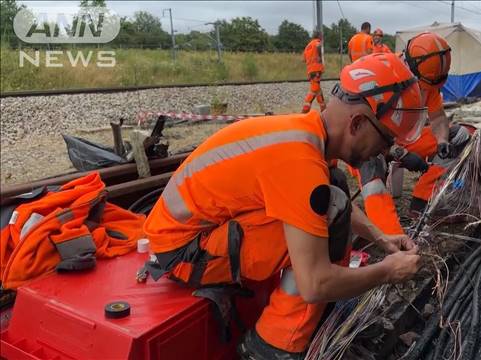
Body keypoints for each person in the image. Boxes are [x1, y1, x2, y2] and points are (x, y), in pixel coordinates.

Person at [143, 52, 425, 359]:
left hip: (192, 231)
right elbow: (315, 283)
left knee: (333, 189)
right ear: (357, 124)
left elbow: (325, 194)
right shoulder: (299, 163)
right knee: (328, 217)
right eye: (384, 140)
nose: (383, 152)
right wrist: (387, 271)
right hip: (185, 252)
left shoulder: (306, 132)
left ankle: (318, 317)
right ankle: (271, 346)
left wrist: (381, 238)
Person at [353, 32, 471, 236]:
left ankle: (422, 202)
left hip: (402, 139)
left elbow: (438, 118)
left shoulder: (429, 81)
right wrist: (400, 154)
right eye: (425, 85)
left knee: (458, 136)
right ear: (410, 68)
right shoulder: (382, 77)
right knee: (372, 165)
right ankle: (390, 235)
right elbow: (363, 132)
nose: (426, 90)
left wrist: (442, 140)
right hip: (366, 143)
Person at [302, 31, 326, 113]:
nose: (323, 38)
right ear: (319, 36)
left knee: (317, 89)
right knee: (314, 89)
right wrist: (320, 58)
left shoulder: (308, 46)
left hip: (310, 70)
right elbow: (319, 47)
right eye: (322, 36)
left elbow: (304, 59)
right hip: (317, 69)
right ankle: (305, 109)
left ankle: (323, 108)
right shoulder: (317, 43)